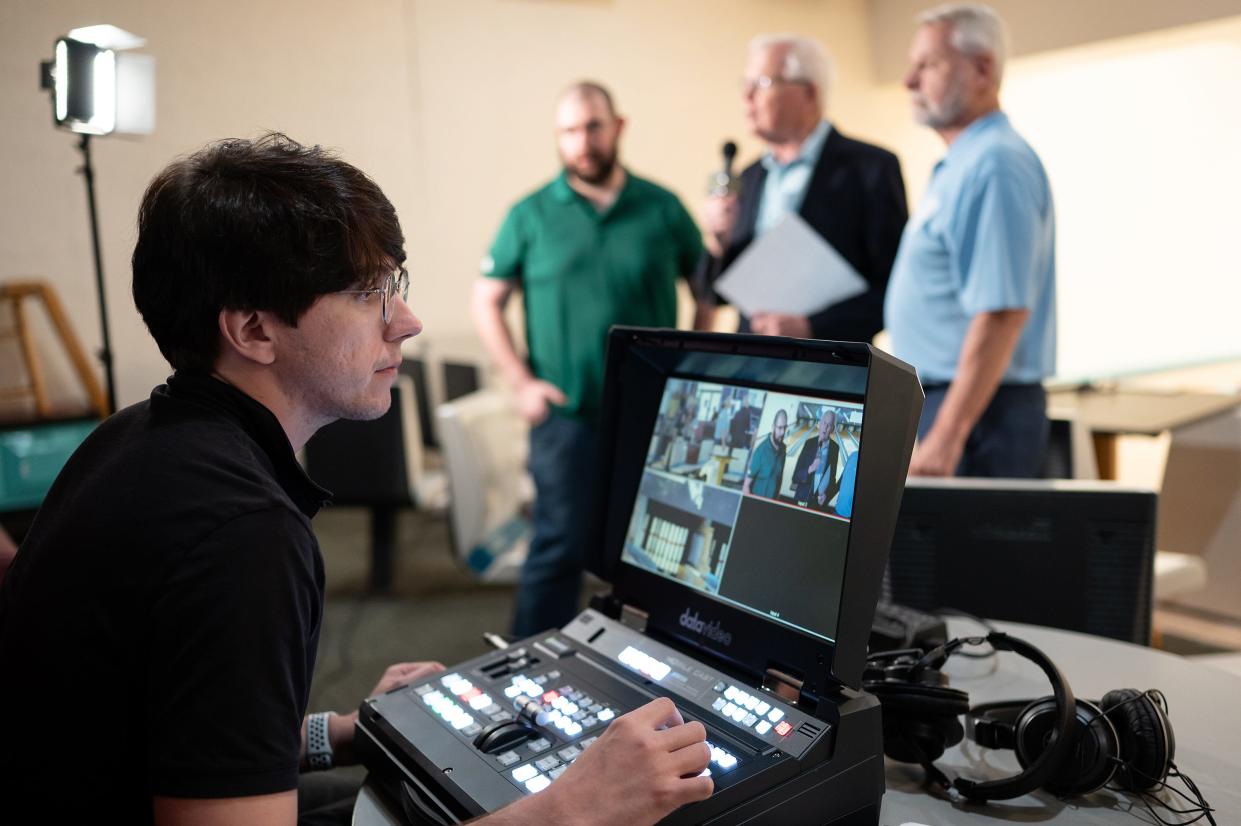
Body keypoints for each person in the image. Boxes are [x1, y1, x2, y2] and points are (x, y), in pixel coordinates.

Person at [0, 134, 712, 825]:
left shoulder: (132, 438)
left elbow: (170, 733)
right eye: (366, 293)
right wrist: (571, 810)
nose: (404, 321)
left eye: (392, 285)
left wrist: (338, 733)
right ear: (253, 331)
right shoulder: (242, 535)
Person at [472, 82, 706, 637]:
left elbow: (707, 286)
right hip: (567, 417)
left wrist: (695, 366)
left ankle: (663, 672)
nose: (583, 142)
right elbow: (486, 300)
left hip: (657, 416)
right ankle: (526, 661)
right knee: (559, 547)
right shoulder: (529, 214)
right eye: (570, 131)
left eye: (593, 127)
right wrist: (520, 382)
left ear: (618, 127)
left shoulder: (662, 206)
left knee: (662, 551)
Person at [885, 3, 1057, 478]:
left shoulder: (995, 164)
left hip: (979, 414)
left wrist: (947, 435)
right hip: (952, 402)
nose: (909, 81)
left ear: (982, 68)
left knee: (967, 555)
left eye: (927, 65)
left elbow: (1001, 313)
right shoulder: (963, 163)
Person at [699, 34, 908, 342]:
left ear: (808, 92)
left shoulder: (871, 168)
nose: (747, 96)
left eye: (762, 83)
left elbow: (896, 286)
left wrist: (813, 327)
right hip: (755, 358)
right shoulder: (751, 175)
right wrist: (717, 243)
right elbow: (711, 295)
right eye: (745, 84)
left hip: (831, 364)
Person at [791, 409, 840, 509]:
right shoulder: (809, 444)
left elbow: (832, 479)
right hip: (802, 499)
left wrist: (827, 495)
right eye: (824, 423)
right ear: (819, 424)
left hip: (818, 503)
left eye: (829, 425)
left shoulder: (835, 448)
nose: (825, 427)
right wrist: (811, 468)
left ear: (832, 429)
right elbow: (795, 477)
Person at [742, 409, 788, 498]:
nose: (782, 432)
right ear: (773, 427)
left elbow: (779, 478)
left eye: (785, 428)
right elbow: (746, 485)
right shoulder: (761, 451)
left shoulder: (783, 450)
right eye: (779, 428)